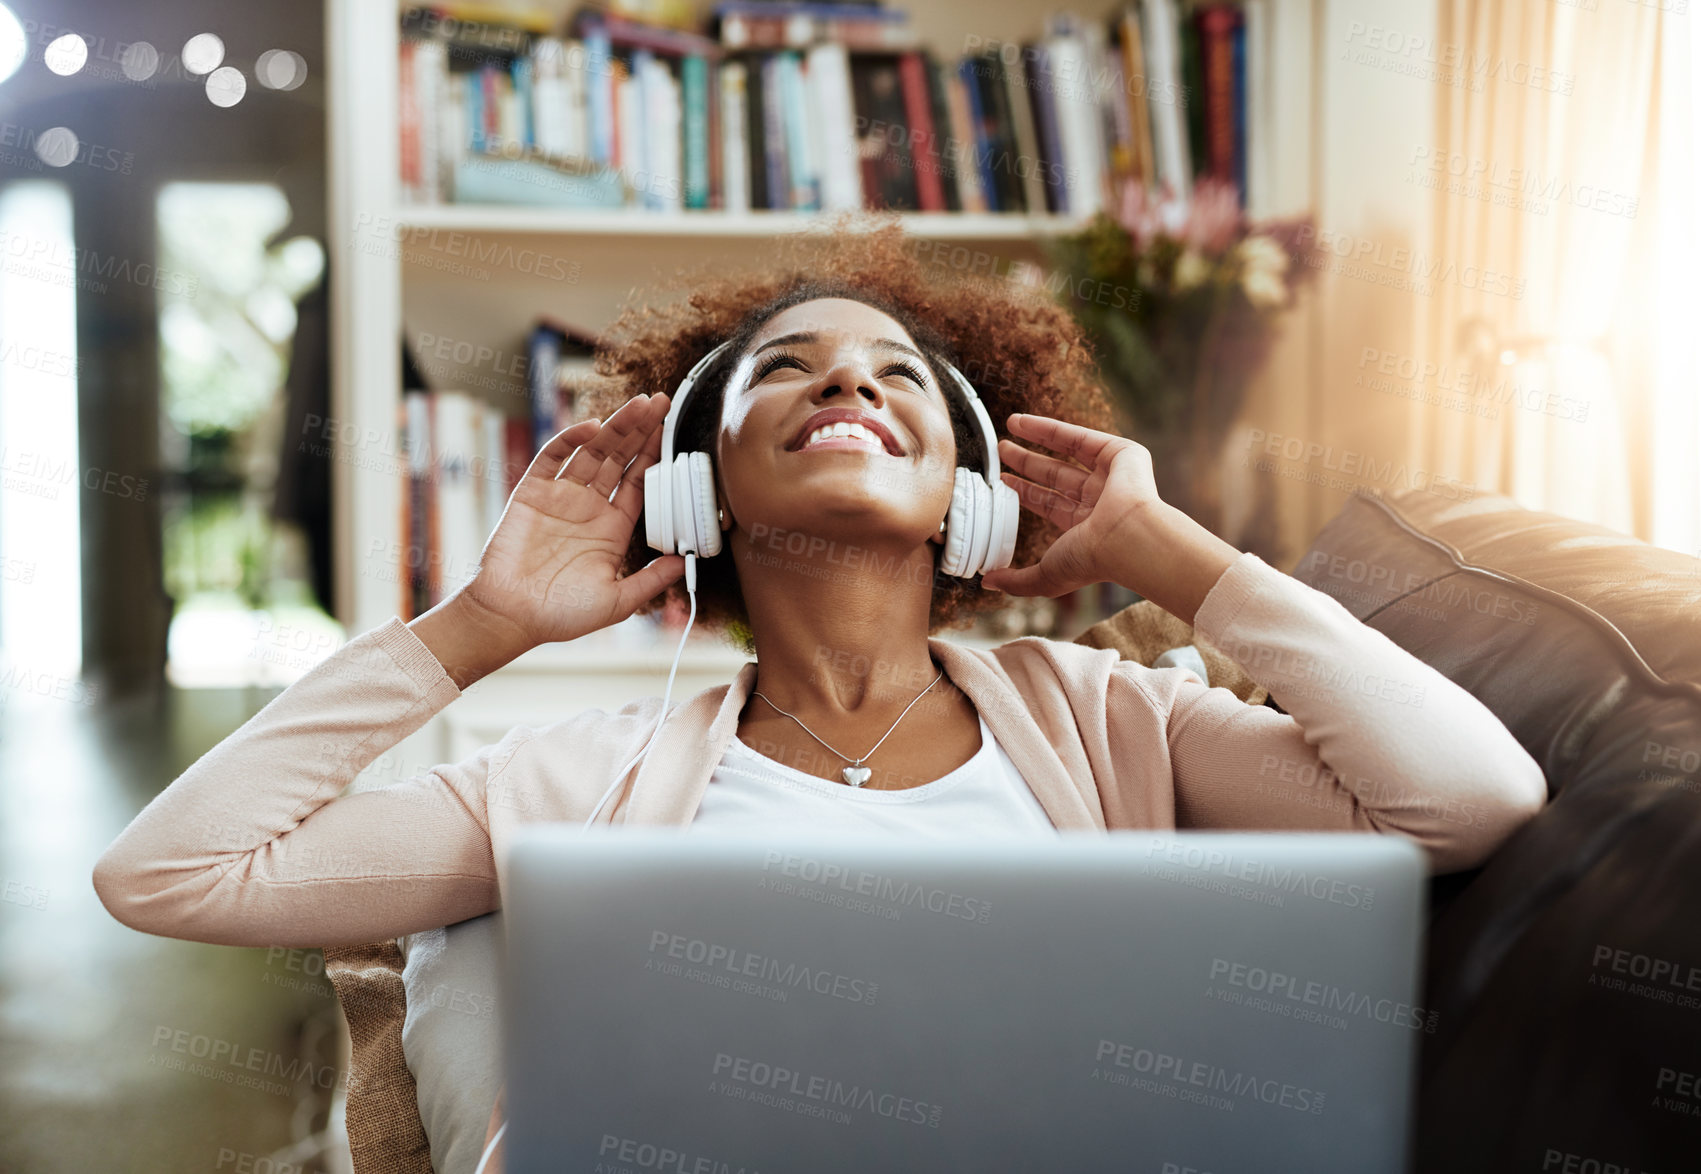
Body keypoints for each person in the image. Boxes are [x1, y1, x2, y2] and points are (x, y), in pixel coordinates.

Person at [92, 225, 1547, 1173]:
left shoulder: (1113, 714)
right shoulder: (571, 772)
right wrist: (481, 625)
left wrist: (1178, 555)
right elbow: (167, 873)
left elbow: (1465, 799)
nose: (845, 378)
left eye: (895, 371)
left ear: (965, 505)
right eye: (783, 369)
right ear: (695, 492)